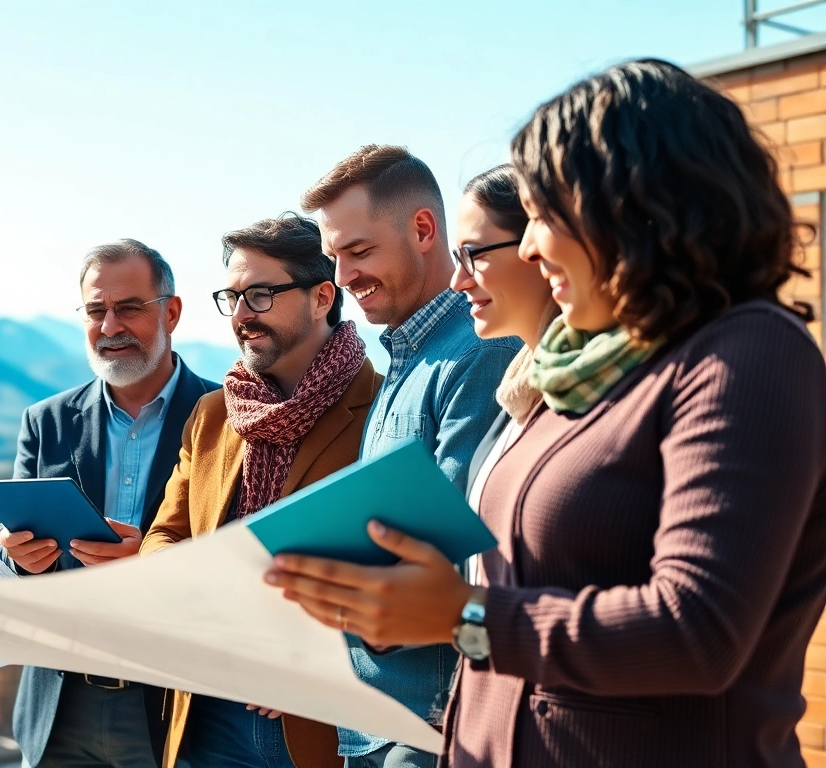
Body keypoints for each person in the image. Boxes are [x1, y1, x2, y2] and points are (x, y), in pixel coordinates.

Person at [267, 59, 826, 767]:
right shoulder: (576, 378)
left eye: (544, 215)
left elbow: (698, 631)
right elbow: (498, 624)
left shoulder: (747, 355)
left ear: (628, 202)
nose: (530, 245)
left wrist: (459, 616)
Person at [296, 146, 519, 767]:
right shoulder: (404, 357)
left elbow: (449, 554)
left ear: (423, 231)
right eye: (334, 257)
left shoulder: (477, 352)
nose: (342, 278)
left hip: (427, 722)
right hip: (375, 718)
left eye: (359, 252)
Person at [141, 212, 380, 768]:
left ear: (323, 297)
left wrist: (305, 643)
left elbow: (395, 561)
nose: (242, 315)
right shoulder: (212, 414)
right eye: (233, 297)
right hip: (204, 708)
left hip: (316, 719)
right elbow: (165, 534)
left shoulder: (382, 412)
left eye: (261, 295)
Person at [0, 239, 218, 768]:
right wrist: (16, 556)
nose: (111, 326)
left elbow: (238, 553)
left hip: (174, 706)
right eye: (96, 311)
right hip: (58, 705)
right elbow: (10, 559)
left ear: (172, 311)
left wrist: (155, 558)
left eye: (129, 308)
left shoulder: (226, 418)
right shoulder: (44, 422)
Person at [446, 165, 556, 585]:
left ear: (538, 243)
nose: (458, 281)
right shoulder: (516, 393)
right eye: (458, 259)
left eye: (474, 254)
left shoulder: (593, 390)